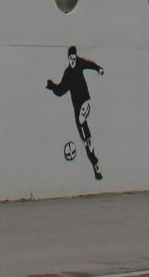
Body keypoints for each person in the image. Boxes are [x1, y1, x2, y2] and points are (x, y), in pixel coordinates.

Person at [45, 46, 105, 180]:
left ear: (75, 56)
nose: (73, 61)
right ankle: (95, 163)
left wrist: (98, 69)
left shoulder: (80, 64)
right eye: (71, 59)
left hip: (85, 102)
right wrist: (52, 86)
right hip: (77, 108)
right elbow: (60, 90)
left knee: (82, 119)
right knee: (85, 137)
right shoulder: (68, 74)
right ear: (68, 58)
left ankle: (88, 138)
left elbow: (89, 65)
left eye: (74, 58)